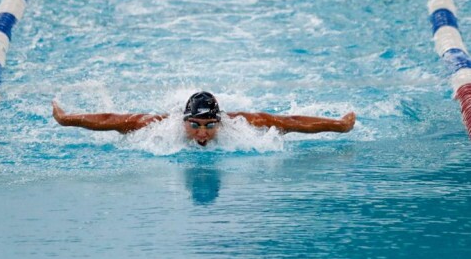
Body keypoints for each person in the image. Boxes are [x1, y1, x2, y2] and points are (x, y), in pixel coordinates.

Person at [52, 91, 356, 147]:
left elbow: (289, 122)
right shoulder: (160, 126)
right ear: (184, 121)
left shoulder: (240, 125)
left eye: (211, 125)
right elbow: (112, 120)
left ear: (220, 122)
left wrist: (338, 125)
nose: (202, 133)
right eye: (195, 125)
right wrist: (68, 119)